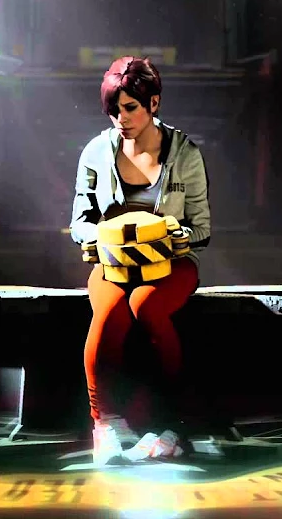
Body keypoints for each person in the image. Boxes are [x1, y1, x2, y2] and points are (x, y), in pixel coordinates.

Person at [69, 56, 212, 465]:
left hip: (171, 265)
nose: (121, 118)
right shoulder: (96, 152)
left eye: (130, 107)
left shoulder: (185, 153)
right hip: (113, 265)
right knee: (109, 312)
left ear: (153, 103)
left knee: (145, 304)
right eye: (113, 110)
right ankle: (105, 425)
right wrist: (99, 238)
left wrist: (177, 235)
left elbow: (202, 228)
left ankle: (171, 426)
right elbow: (79, 222)